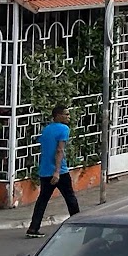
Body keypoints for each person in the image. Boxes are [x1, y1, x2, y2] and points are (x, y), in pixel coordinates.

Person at [26, 102, 80, 238]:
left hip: (44, 170)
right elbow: (59, 150)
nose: (69, 117)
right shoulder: (63, 129)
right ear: (58, 116)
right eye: (66, 114)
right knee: (70, 198)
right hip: (59, 171)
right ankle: (79, 224)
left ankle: (33, 227)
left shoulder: (46, 129)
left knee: (42, 200)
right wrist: (57, 171)